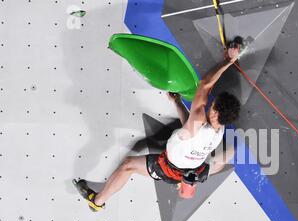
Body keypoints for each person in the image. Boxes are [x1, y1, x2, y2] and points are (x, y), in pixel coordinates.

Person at [74, 45, 241, 212]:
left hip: (169, 168)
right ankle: (186, 183)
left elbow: (204, 84)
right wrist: (177, 102)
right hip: (196, 169)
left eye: (212, 106)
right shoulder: (219, 129)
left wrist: (228, 60)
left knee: (128, 165)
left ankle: (97, 201)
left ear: (215, 113)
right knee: (203, 152)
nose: (209, 105)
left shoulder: (198, 121)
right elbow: (189, 129)